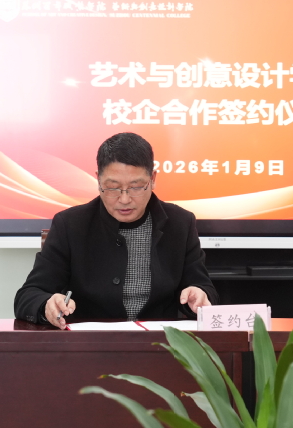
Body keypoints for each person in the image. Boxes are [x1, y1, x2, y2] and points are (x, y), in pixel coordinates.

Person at [14, 132, 218, 328]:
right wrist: (47, 305)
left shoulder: (180, 223)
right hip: (90, 345)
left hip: (159, 344)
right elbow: (29, 295)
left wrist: (199, 296)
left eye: (136, 187)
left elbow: (205, 289)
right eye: (112, 187)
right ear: (98, 180)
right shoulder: (70, 224)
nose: (125, 199)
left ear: (153, 179)